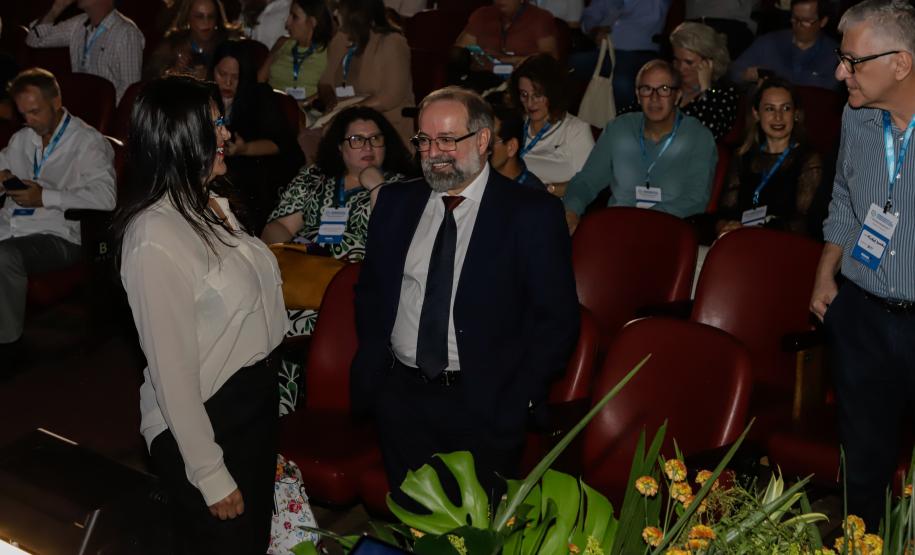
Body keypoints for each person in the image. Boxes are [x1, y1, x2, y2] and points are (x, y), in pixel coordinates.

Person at [351, 86, 579, 501]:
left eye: (447, 140)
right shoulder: (395, 204)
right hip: (402, 399)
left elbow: (557, 320)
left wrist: (521, 398)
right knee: (413, 524)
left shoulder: (530, 214)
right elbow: (371, 295)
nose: (434, 152)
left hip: (487, 404)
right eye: (424, 140)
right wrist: (380, 378)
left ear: (482, 139)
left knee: (475, 533)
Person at [114, 76, 287, 553]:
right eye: (215, 124)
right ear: (180, 138)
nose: (226, 133)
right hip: (207, 418)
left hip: (249, 404)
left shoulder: (209, 204)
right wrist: (209, 473)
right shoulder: (155, 236)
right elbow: (172, 375)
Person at [810, 0, 915, 531]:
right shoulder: (856, 117)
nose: (838, 73)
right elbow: (848, 201)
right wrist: (826, 270)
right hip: (863, 315)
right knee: (863, 464)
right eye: (840, 58)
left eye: (852, 61)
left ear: (902, 62)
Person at [262, 106, 414, 335]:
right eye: (356, 139)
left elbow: (392, 240)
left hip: (359, 285)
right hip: (306, 277)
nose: (368, 146)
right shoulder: (314, 177)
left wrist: (376, 187)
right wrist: (286, 254)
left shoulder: (402, 187)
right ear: (340, 147)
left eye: (375, 138)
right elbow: (281, 226)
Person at [0, 68, 116, 365]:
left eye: (35, 111)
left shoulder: (87, 142)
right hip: (12, 225)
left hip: (59, 234)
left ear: (56, 102)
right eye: (23, 113)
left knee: (4, 256)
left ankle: (8, 344)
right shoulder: (22, 139)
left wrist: (45, 197)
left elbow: (106, 198)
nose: (28, 120)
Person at [564, 60, 717, 232]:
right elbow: (587, 180)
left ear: (678, 95)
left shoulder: (698, 136)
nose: (654, 98)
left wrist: (641, 221)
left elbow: (695, 199)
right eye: (646, 89)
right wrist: (571, 209)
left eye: (664, 89)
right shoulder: (619, 129)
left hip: (668, 230)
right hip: (616, 227)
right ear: (637, 95)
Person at [211, 39, 304, 232]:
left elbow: (283, 145)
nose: (227, 82)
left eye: (235, 77)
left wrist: (244, 149)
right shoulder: (206, 96)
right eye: (222, 74)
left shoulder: (259, 96)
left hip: (255, 172)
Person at [716, 78, 822, 236]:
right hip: (739, 239)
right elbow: (726, 209)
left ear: (796, 114)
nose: (778, 117)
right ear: (756, 114)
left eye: (785, 108)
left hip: (781, 245)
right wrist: (724, 226)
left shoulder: (808, 160)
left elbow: (803, 222)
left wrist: (758, 230)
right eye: (769, 109)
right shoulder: (743, 155)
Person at [618, 22, 738, 140]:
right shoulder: (667, 84)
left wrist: (706, 88)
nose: (681, 68)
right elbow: (628, 117)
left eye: (688, 62)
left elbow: (710, 132)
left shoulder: (724, 94)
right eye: (676, 60)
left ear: (709, 63)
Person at [317, 0, 414, 144]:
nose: (335, 13)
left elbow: (390, 96)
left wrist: (347, 113)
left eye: (340, 8)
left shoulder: (392, 42)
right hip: (345, 120)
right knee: (306, 138)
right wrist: (331, 101)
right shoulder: (341, 40)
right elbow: (325, 83)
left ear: (356, 11)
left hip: (386, 128)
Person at [26, 0, 144, 103]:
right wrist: (57, 7)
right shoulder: (78, 24)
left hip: (104, 118)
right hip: (80, 111)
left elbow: (130, 93)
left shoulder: (127, 33)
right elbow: (34, 40)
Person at [508, 54, 594, 196]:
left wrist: (546, 190)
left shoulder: (575, 130)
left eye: (537, 95)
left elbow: (588, 184)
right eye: (524, 94)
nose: (530, 103)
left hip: (549, 203)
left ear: (553, 93)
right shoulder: (515, 124)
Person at [574, 0, 674, 107]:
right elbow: (590, 15)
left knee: (621, 82)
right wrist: (594, 30)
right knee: (569, 65)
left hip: (638, 52)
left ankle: (625, 121)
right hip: (603, 51)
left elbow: (653, 15)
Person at [731, 0, 839, 91]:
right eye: (795, 19)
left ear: (823, 21)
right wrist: (745, 75)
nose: (798, 25)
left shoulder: (834, 55)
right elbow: (734, 72)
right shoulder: (768, 43)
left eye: (806, 21)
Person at [258, 0, 332, 103]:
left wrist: (304, 103)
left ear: (312, 22)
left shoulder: (327, 51)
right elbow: (259, 81)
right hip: (272, 107)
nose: (287, 23)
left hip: (307, 113)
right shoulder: (282, 43)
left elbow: (330, 90)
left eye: (294, 17)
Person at [145, 0, 239, 81]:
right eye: (199, 17)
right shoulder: (172, 46)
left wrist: (211, 77)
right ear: (188, 18)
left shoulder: (229, 47)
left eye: (210, 17)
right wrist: (175, 72)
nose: (206, 22)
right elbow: (151, 82)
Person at [490, 105, 547, 191]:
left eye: (490, 142)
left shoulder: (534, 196)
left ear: (511, 147)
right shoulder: (479, 180)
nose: (480, 148)